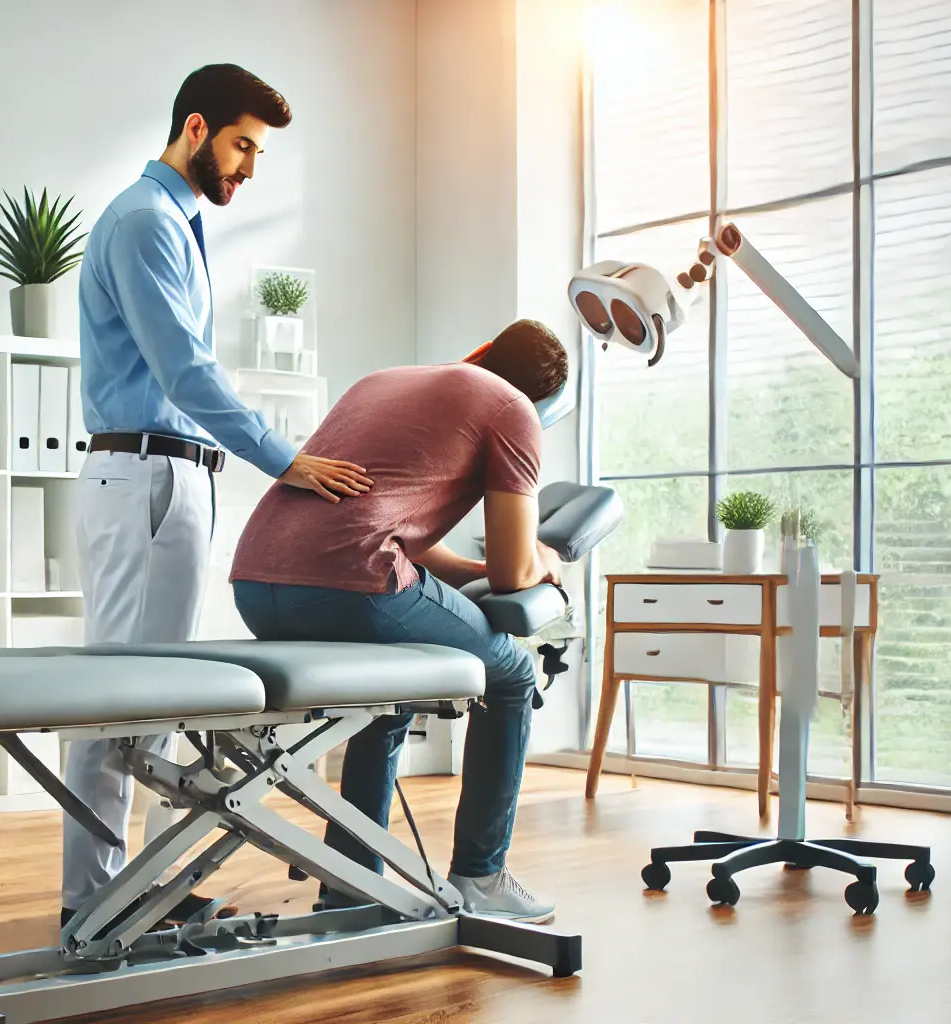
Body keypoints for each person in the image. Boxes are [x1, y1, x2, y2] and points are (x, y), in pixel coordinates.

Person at [62, 64, 373, 928]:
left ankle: (135, 894)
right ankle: (92, 901)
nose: (248, 168)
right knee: (115, 699)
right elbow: (184, 371)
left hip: (171, 476)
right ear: (195, 130)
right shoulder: (144, 222)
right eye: (242, 146)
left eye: (259, 154)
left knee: (151, 704)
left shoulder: (177, 221)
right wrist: (284, 458)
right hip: (148, 475)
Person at [229, 319, 572, 924]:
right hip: (349, 588)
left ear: (483, 349)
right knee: (514, 674)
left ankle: (352, 880)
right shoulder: (514, 409)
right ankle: (481, 873)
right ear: (544, 400)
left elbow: (375, 519)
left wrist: (466, 573)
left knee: (391, 696)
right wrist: (548, 556)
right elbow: (515, 570)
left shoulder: (381, 381)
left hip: (257, 583)